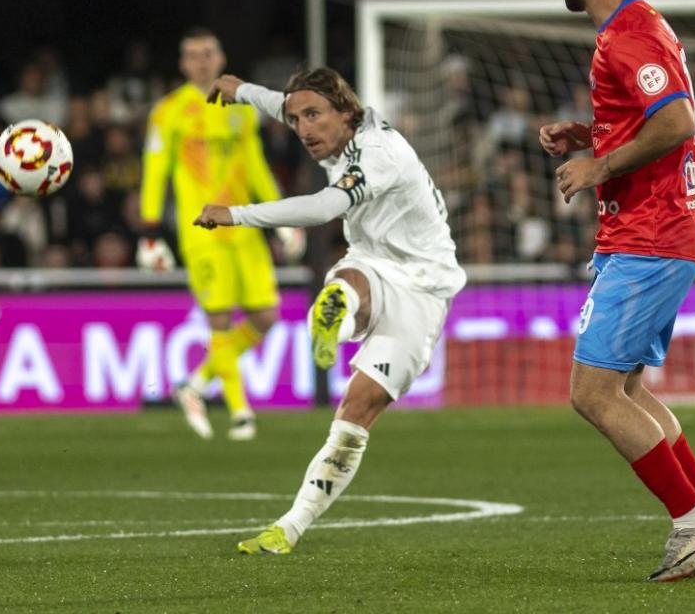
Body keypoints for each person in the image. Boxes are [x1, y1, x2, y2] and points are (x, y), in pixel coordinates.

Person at [541, 0, 695, 583]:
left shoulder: (625, 37)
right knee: (624, 385)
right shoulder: (644, 24)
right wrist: (591, 136)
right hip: (659, 234)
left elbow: (679, 121)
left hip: (650, 236)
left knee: (593, 393)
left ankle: (690, 523)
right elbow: (651, 120)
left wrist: (600, 166)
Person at [195, 66, 465, 554]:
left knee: (356, 413)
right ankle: (286, 530)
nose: (303, 129)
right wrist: (238, 91)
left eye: (314, 116)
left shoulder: (377, 154)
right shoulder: (327, 124)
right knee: (349, 277)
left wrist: (235, 214)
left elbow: (323, 209)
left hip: (424, 288)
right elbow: (282, 102)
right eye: (297, 120)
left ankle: (335, 319)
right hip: (371, 261)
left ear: (347, 111)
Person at [139, 28, 289, 442]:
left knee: (265, 317)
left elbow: (255, 164)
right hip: (202, 230)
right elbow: (155, 171)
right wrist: (150, 229)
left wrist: (282, 214)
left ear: (220, 57)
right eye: (192, 55)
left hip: (244, 227)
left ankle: (195, 384)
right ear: (183, 63)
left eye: (207, 53)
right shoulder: (168, 111)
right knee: (220, 320)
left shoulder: (241, 108)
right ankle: (241, 413)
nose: (201, 61)